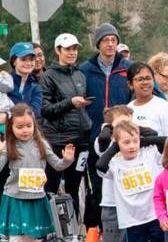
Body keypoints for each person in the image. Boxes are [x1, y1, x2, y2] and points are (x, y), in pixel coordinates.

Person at [0, 104, 74, 242]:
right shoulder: (9, 145)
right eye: (19, 127)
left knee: (33, 236)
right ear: (11, 128)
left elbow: (57, 165)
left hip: (35, 197)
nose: (24, 130)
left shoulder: (41, 143)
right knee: (16, 235)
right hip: (16, 196)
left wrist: (67, 159)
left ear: (34, 124)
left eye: (28, 126)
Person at [97, 119, 166, 242]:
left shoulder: (148, 153)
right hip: (132, 220)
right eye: (126, 143)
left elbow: (164, 140)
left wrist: (139, 137)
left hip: (153, 215)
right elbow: (100, 165)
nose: (132, 146)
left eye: (134, 141)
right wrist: (115, 146)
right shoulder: (115, 163)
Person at [39, 34, 91, 206]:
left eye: (75, 49)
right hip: (58, 141)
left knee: (74, 188)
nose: (72, 52)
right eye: (68, 49)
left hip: (81, 141)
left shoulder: (79, 74)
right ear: (58, 50)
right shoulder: (48, 76)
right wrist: (70, 103)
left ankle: (74, 230)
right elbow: (45, 110)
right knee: (52, 188)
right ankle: (51, 230)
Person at [81, 23, 132, 141]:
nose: (110, 44)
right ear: (98, 44)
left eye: (113, 40)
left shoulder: (128, 67)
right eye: (105, 40)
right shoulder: (85, 69)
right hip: (94, 128)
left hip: (122, 129)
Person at [127, 62, 168, 137]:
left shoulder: (165, 107)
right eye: (140, 79)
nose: (145, 82)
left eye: (148, 78)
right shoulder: (128, 110)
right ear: (130, 84)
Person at [7, 43, 42, 118]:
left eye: (31, 59)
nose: (28, 63)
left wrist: (7, 116)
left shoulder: (35, 87)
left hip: (27, 129)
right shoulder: (4, 83)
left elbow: (35, 113)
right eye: (23, 59)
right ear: (14, 61)